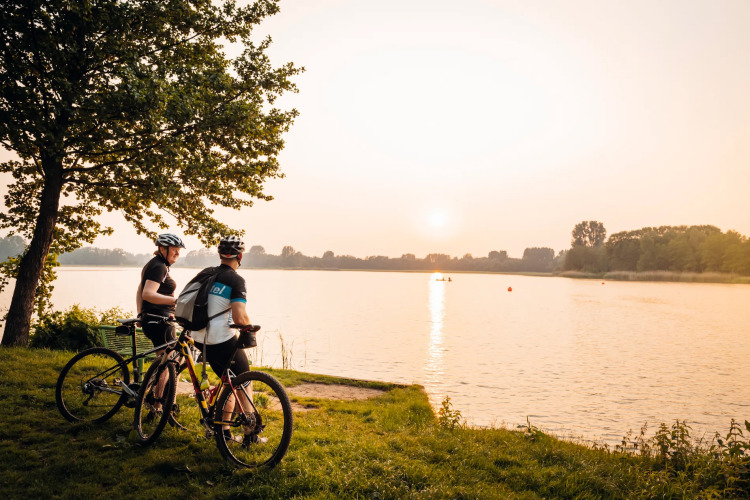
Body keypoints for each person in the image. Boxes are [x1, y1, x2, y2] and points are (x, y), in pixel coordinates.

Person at [189, 235, 263, 444]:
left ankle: (225, 433)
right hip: (220, 339)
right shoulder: (236, 280)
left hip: (200, 338)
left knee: (228, 381)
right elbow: (239, 317)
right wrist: (250, 328)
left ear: (220, 255)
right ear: (240, 256)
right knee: (244, 381)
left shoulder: (206, 273)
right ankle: (251, 434)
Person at [137, 233, 185, 350]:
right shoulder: (159, 266)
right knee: (169, 359)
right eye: (174, 249)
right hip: (159, 320)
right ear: (163, 248)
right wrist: (176, 301)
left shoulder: (155, 264)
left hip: (154, 318)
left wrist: (140, 314)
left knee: (168, 357)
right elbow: (147, 294)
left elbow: (140, 290)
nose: (177, 253)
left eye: (179, 250)